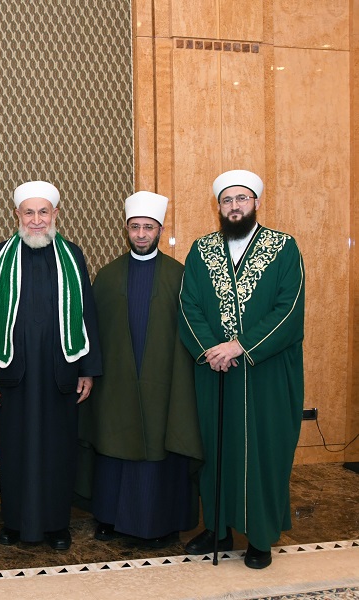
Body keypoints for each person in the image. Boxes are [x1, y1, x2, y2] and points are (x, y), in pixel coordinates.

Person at [179, 170, 305, 569]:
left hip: (266, 371)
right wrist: (211, 351)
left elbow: (289, 310)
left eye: (242, 199)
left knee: (264, 451)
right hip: (215, 370)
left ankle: (260, 537)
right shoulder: (201, 250)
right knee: (216, 449)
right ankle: (217, 528)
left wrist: (240, 346)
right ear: (218, 206)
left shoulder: (284, 247)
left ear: (256, 203)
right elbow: (188, 305)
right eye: (227, 200)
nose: (234, 206)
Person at [0, 180, 102, 550]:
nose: (37, 219)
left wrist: (88, 369)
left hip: (61, 371)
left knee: (59, 449)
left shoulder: (72, 255)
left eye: (43, 211)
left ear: (55, 214)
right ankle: (15, 523)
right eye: (29, 212)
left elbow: (87, 312)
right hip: (14, 372)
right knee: (15, 450)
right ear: (17, 215)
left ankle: (57, 525)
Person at [81, 191, 202, 548]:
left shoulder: (180, 276)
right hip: (116, 382)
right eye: (135, 227)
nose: (141, 234)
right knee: (114, 440)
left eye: (148, 227)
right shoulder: (107, 275)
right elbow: (92, 331)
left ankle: (164, 521)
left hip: (166, 383)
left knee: (163, 444)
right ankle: (109, 517)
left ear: (160, 230)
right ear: (127, 230)